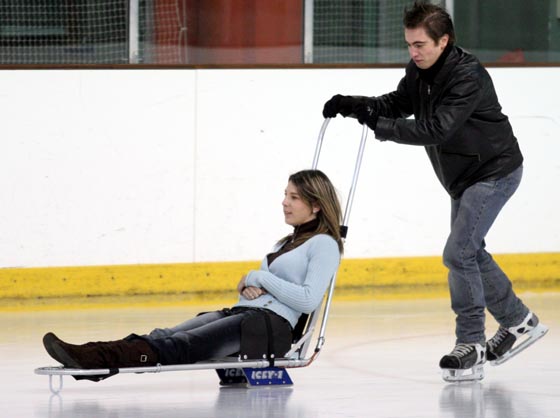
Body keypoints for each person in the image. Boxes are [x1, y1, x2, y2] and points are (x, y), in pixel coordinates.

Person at [322, 1, 547, 379]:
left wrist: (381, 126)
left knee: (458, 252)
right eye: (409, 45)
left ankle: (471, 344)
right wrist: (354, 105)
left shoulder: (467, 76)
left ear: (444, 41)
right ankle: (520, 322)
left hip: (493, 171)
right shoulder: (419, 71)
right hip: (462, 176)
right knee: (469, 252)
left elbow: (437, 129)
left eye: (420, 45)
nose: (413, 53)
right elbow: (397, 104)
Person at [42, 169, 343, 379]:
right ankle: (89, 355)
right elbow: (256, 289)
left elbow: (307, 299)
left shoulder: (325, 244)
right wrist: (249, 285)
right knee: (164, 335)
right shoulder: (288, 242)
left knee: (178, 346)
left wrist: (259, 278)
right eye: (285, 194)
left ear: (315, 206)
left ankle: (93, 361)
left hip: (266, 328)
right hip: (244, 313)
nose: (284, 202)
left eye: (294, 197)